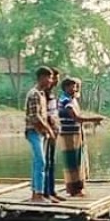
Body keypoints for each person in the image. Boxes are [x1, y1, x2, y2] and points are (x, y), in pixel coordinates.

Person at [58, 77, 104, 197]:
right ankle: (75, 190)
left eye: (76, 86)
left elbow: (78, 117)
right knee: (73, 162)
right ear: (66, 87)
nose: (75, 89)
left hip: (74, 133)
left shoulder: (71, 100)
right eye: (72, 86)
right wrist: (95, 119)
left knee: (77, 161)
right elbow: (77, 118)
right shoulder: (66, 100)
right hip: (69, 135)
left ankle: (77, 188)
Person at [25, 66, 55, 203]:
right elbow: (34, 117)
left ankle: (36, 192)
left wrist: (46, 130)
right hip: (34, 131)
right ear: (42, 78)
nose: (51, 81)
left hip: (40, 132)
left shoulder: (42, 94)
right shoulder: (34, 94)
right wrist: (48, 129)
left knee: (38, 162)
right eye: (49, 78)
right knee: (41, 161)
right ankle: (38, 195)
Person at [43, 68, 66, 203]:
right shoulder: (42, 93)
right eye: (54, 78)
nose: (56, 81)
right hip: (46, 131)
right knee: (46, 162)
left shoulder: (51, 93)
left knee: (52, 162)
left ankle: (51, 191)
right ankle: (45, 192)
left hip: (54, 130)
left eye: (57, 78)